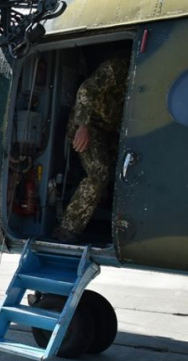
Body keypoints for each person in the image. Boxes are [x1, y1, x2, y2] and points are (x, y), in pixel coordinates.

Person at [53, 54, 130, 243]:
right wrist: (83, 126)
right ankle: (67, 228)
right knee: (99, 173)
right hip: (89, 126)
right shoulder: (116, 68)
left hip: (111, 130)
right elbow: (86, 91)